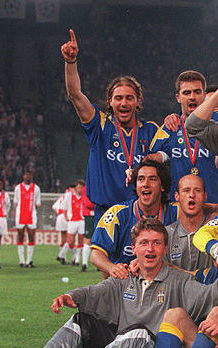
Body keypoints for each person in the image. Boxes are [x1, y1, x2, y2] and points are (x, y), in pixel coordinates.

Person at [0, 218, 218, 348]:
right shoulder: (124, 278)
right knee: (82, 321)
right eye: (144, 243)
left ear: (165, 248)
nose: (150, 249)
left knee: (139, 333)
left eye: (156, 243)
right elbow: (94, 292)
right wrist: (71, 296)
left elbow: (211, 295)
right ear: (134, 248)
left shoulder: (179, 281)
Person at [60, 29, 165, 227]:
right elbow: (75, 95)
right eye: (118, 98)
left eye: (129, 98)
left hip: (141, 213)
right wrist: (70, 62)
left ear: (138, 101)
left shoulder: (151, 131)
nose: (124, 103)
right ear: (110, 101)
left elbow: (170, 156)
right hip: (105, 212)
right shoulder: (99, 125)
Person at [149, 70, 218, 204]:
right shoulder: (169, 128)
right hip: (181, 209)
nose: (192, 97)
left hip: (217, 206)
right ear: (178, 97)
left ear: (204, 95)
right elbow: (151, 163)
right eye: (186, 93)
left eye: (197, 92)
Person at [91, 160, 179, 279]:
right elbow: (96, 254)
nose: (145, 184)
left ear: (162, 186)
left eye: (152, 179)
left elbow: (200, 210)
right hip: (124, 284)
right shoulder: (117, 214)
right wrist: (112, 268)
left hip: (164, 285)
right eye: (141, 179)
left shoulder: (177, 212)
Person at [164, 174, 214, 271]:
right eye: (186, 190)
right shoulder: (167, 235)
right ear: (177, 196)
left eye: (197, 190)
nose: (192, 195)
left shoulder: (216, 228)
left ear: (205, 196)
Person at [13, 171, 41, 268]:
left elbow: (37, 203)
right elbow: (16, 202)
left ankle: (29, 261)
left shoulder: (36, 188)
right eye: (26, 175)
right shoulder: (18, 188)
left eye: (29, 175)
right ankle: (21, 261)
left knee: (31, 236)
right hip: (20, 215)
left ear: (31, 176)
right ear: (23, 176)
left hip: (31, 215)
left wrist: (30, 209)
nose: (27, 177)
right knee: (20, 236)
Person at [60, 180, 85, 266]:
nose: (80, 189)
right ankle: (64, 255)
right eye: (79, 187)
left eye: (82, 188)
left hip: (82, 221)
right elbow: (64, 207)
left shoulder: (85, 197)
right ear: (76, 188)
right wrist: (66, 217)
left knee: (81, 241)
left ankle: (77, 259)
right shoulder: (69, 196)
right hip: (72, 221)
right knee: (70, 241)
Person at [53, 185, 73, 264]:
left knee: (63, 237)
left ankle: (63, 258)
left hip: (59, 217)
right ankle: (61, 255)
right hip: (66, 216)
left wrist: (59, 212)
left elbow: (54, 207)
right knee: (70, 237)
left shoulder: (62, 197)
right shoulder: (70, 196)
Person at [81, 185, 94, 272]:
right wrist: (98, 204)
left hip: (100, 215)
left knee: (99, 239)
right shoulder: (86, 188)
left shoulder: (99, 185)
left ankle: (99, 264)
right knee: (88, 239)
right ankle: (84, 263)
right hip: (89, 216)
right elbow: (87, 203)